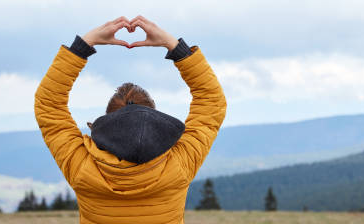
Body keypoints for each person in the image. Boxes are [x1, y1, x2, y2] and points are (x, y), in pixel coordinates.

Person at [34, 15, 227, 224]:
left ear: (107, 121)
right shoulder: (178, 165)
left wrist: (83, 45)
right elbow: (211, 101)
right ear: (156, 119)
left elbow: (49, 104)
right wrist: (174, 46)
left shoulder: (83, 167)